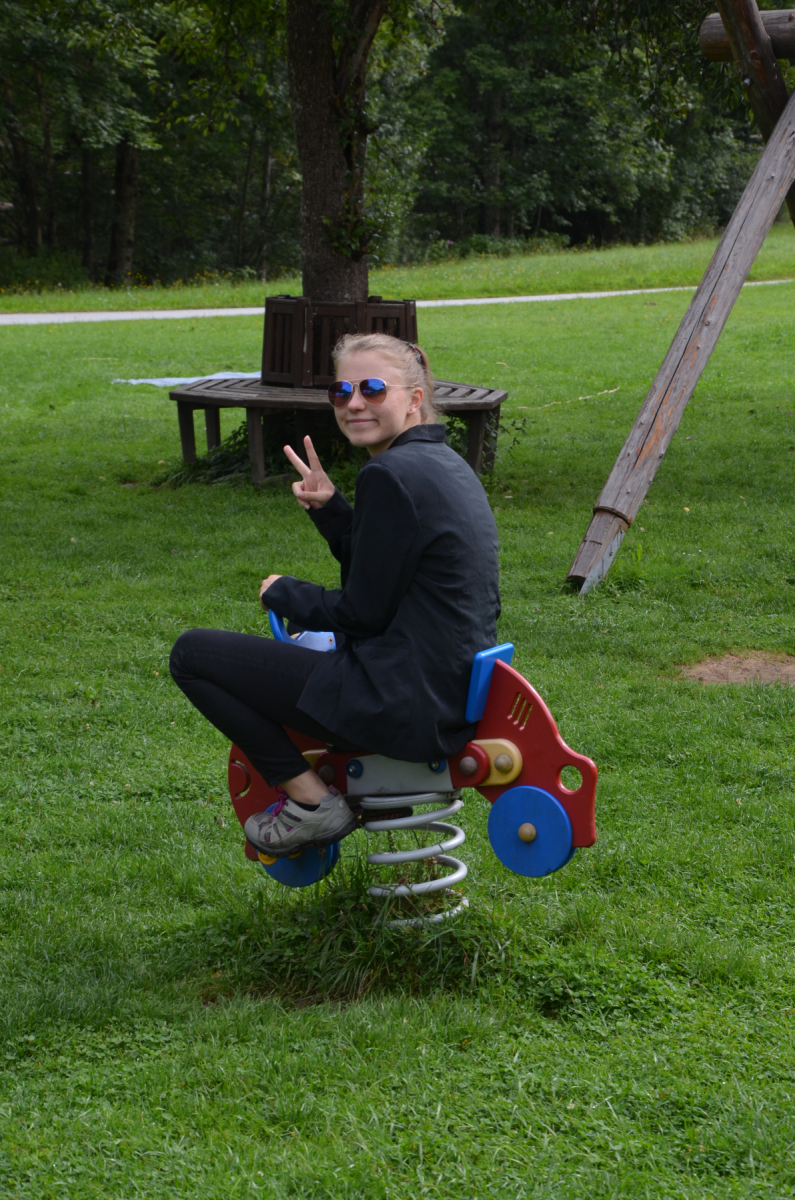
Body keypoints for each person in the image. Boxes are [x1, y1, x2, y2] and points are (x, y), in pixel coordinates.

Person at [170, 333, 500, 858]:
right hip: (442, 692)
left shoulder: (390, 473)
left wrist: (285, 593)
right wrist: (331, 509)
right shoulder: (443, 463)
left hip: (398, 703)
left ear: (414, 399)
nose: (354, 403)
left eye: (373, 389)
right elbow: (388, 564)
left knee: (192, 655)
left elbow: (362, 613)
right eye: (341, 391)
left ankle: (311, 802)